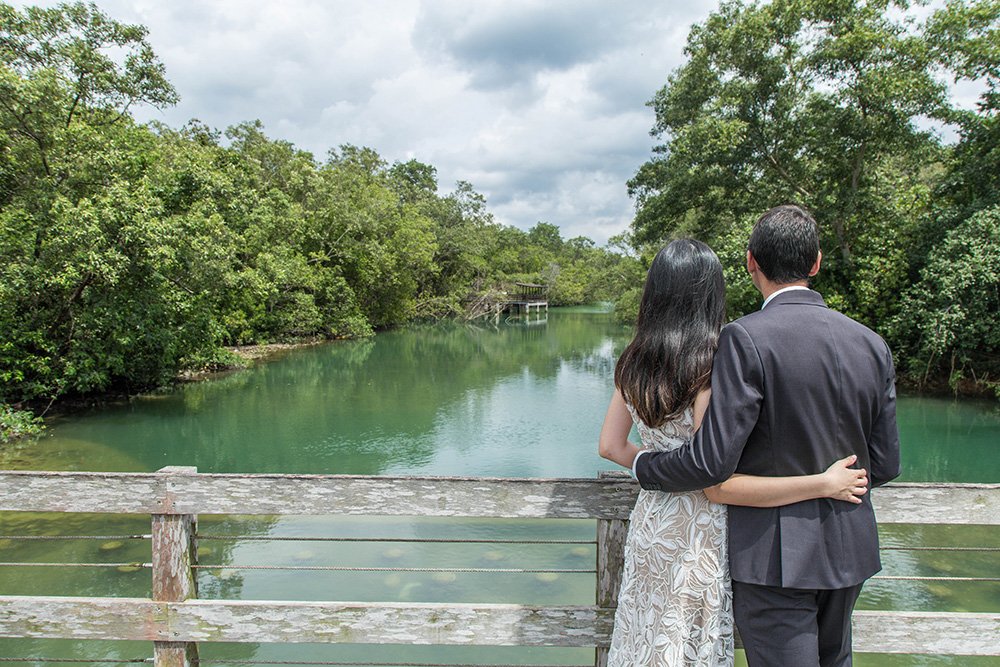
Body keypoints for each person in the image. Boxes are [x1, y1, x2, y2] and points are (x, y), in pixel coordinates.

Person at [632, 206, 901, 666]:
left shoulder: (744, 338)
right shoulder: (871, 343)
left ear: (751, 261)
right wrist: (828, 482)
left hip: (774, 557)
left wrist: (643, 465)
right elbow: (886, 463)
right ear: (816, 262)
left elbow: (710, 463)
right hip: (849, 546)